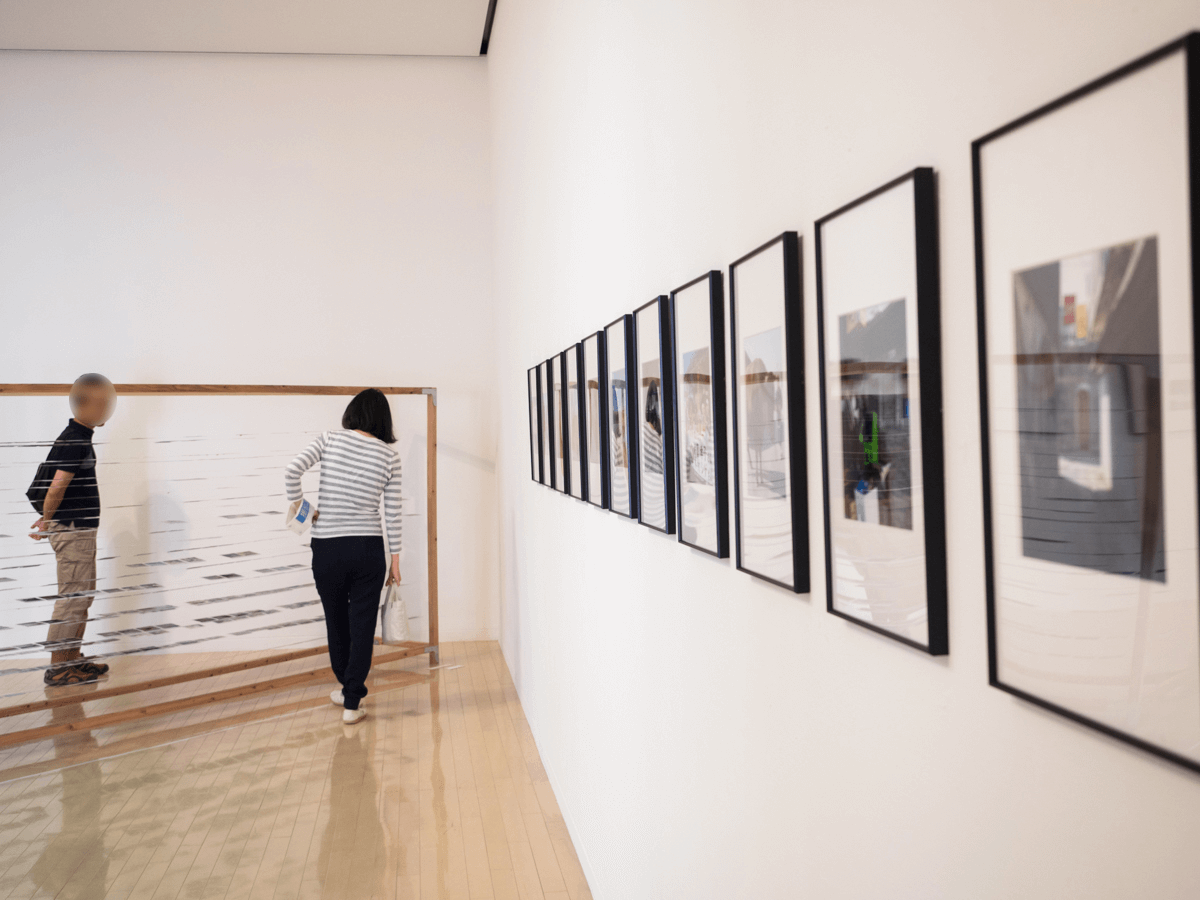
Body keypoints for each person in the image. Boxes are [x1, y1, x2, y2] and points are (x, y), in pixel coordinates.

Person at [286, 388, 402, 725]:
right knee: (363, 625)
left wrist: (304, 509)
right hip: (369, 549)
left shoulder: (329, 440)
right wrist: (396, 560)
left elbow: (292, 471)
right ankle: (352, 699)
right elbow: (392, 512)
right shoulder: (389, 456)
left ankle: (346, 685)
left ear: (353, 412)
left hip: (329, 548)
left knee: (335, 618)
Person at [30, 374, 117, 687]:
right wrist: (46, 521)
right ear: (86, 404)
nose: (107, 408)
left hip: (78, 530)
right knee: (72, 598)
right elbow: (56, 488)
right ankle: (58, 668)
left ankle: (72, 659)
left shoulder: (78, 435)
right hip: (72, 531)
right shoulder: (75, 439)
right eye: (103, 402)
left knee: (81, 597)